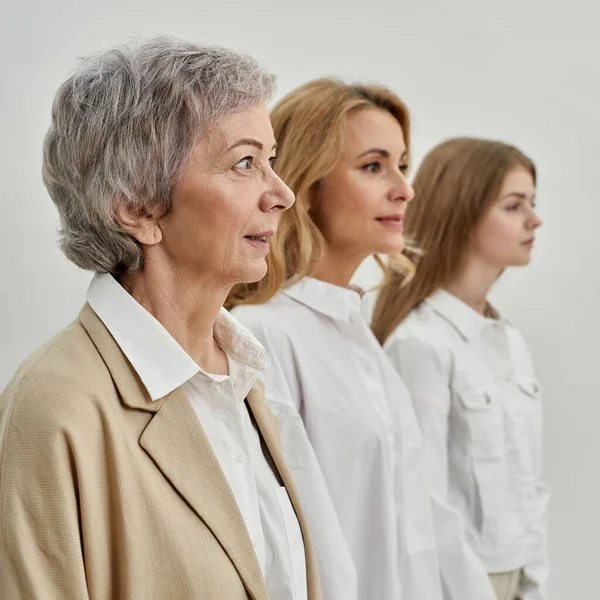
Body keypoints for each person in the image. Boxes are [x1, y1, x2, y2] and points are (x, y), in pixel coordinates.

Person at [0, 37, 321, 600]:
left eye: (272, 161)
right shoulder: (56, 406)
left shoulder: (244, 377)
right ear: (138, 208)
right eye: (245, 163)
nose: (283, 194)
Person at [228, 79, 496, 600]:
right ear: (305, 188)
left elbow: (422, 517)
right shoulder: (266, 335)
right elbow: (292, 547)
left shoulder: (358, 335)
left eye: (402, 165)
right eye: (373, 167)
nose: (404, 189)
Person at [372, 137, 550, 600]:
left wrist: (534, 580)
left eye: (532, 203)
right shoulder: (418, 344)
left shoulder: (509, 341)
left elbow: (528, 482)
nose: (535, 220)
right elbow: (423, 503)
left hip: (518, 577)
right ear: (462, 211)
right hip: (459, 585)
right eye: (514, 206)